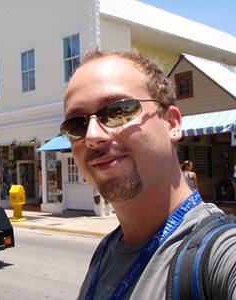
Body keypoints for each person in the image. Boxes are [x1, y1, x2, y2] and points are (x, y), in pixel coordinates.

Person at [60, 48, 236, 299]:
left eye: (117, 111)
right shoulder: (104, 253)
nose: (92, 136)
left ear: (171, 123)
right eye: (77, 124)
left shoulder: (219, 254)